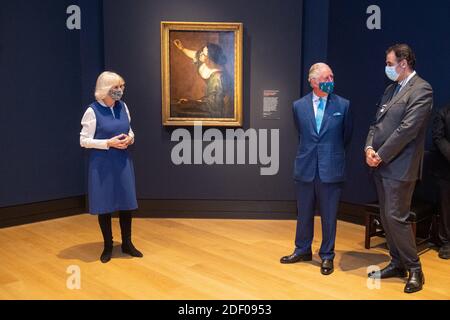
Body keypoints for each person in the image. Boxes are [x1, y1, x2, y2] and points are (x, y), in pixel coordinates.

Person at [365, 44, 433, 293]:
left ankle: (415, 269)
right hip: (381, 166)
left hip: (400, 167)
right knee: (386, 217)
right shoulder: (390, 89)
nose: (387, 67)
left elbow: (407, 130)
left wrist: (380, 155)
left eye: (389, 63)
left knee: (397, 218)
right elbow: (376, 124)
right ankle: (397, 263)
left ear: (403, 63)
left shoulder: (422, 90)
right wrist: (368, 149)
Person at [280, 63, 352, 276]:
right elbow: (302, 134)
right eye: (325, 78)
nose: (330, 81)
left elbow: (346, 137)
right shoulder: (298, 106)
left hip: (331, 169)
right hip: (305, 167)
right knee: (303, 213)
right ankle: (302, 250)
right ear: (312, 81)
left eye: (332, 77)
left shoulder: (344, 105)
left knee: (329, 216)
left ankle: (327, 256)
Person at [80, 71, 143, 263]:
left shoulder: (123, 107)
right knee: (105, 204)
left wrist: (130, 139)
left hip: (122, 162)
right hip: (102, 165)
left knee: (126, 204)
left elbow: (129, 130)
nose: (120, 90)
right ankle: (108, 246)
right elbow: (84, 141)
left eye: (122, 86)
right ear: (105, 89)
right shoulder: (92, 110)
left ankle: (127, 243)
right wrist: (108, 142)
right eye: (116, 87)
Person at [173, 40, 232, 118]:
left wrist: (192, 103)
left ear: (210, 59)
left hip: (216, 111)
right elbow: (195, 54)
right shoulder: (206, 62)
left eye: (203, 54)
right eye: (201, 51)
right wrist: (182, 48)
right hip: (208, 101)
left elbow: (214, 107)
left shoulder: (218, 79)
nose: (200, 54)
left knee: (178, 112)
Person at [432, 102, 450, 260]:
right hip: (446, 170)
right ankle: (446, 242)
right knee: (445, 207)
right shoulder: (442, 112)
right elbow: (438, 138)